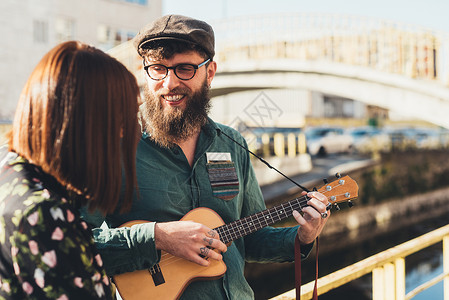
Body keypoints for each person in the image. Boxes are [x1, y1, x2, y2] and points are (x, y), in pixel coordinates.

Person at [82, 15, 330, 299]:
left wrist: (302, 237)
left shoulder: (232, 143)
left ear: (210, 72)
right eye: (158, 69)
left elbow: (250, 239)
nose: (169, 82)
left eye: (185, 69)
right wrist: (159, 237)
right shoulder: (114, 147)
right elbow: (77, 245)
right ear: (144, 72)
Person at [0, 41, 140, 299]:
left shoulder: (9, 172)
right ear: (88, 122)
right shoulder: (46, 216)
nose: (123, 133)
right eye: (120, 119)